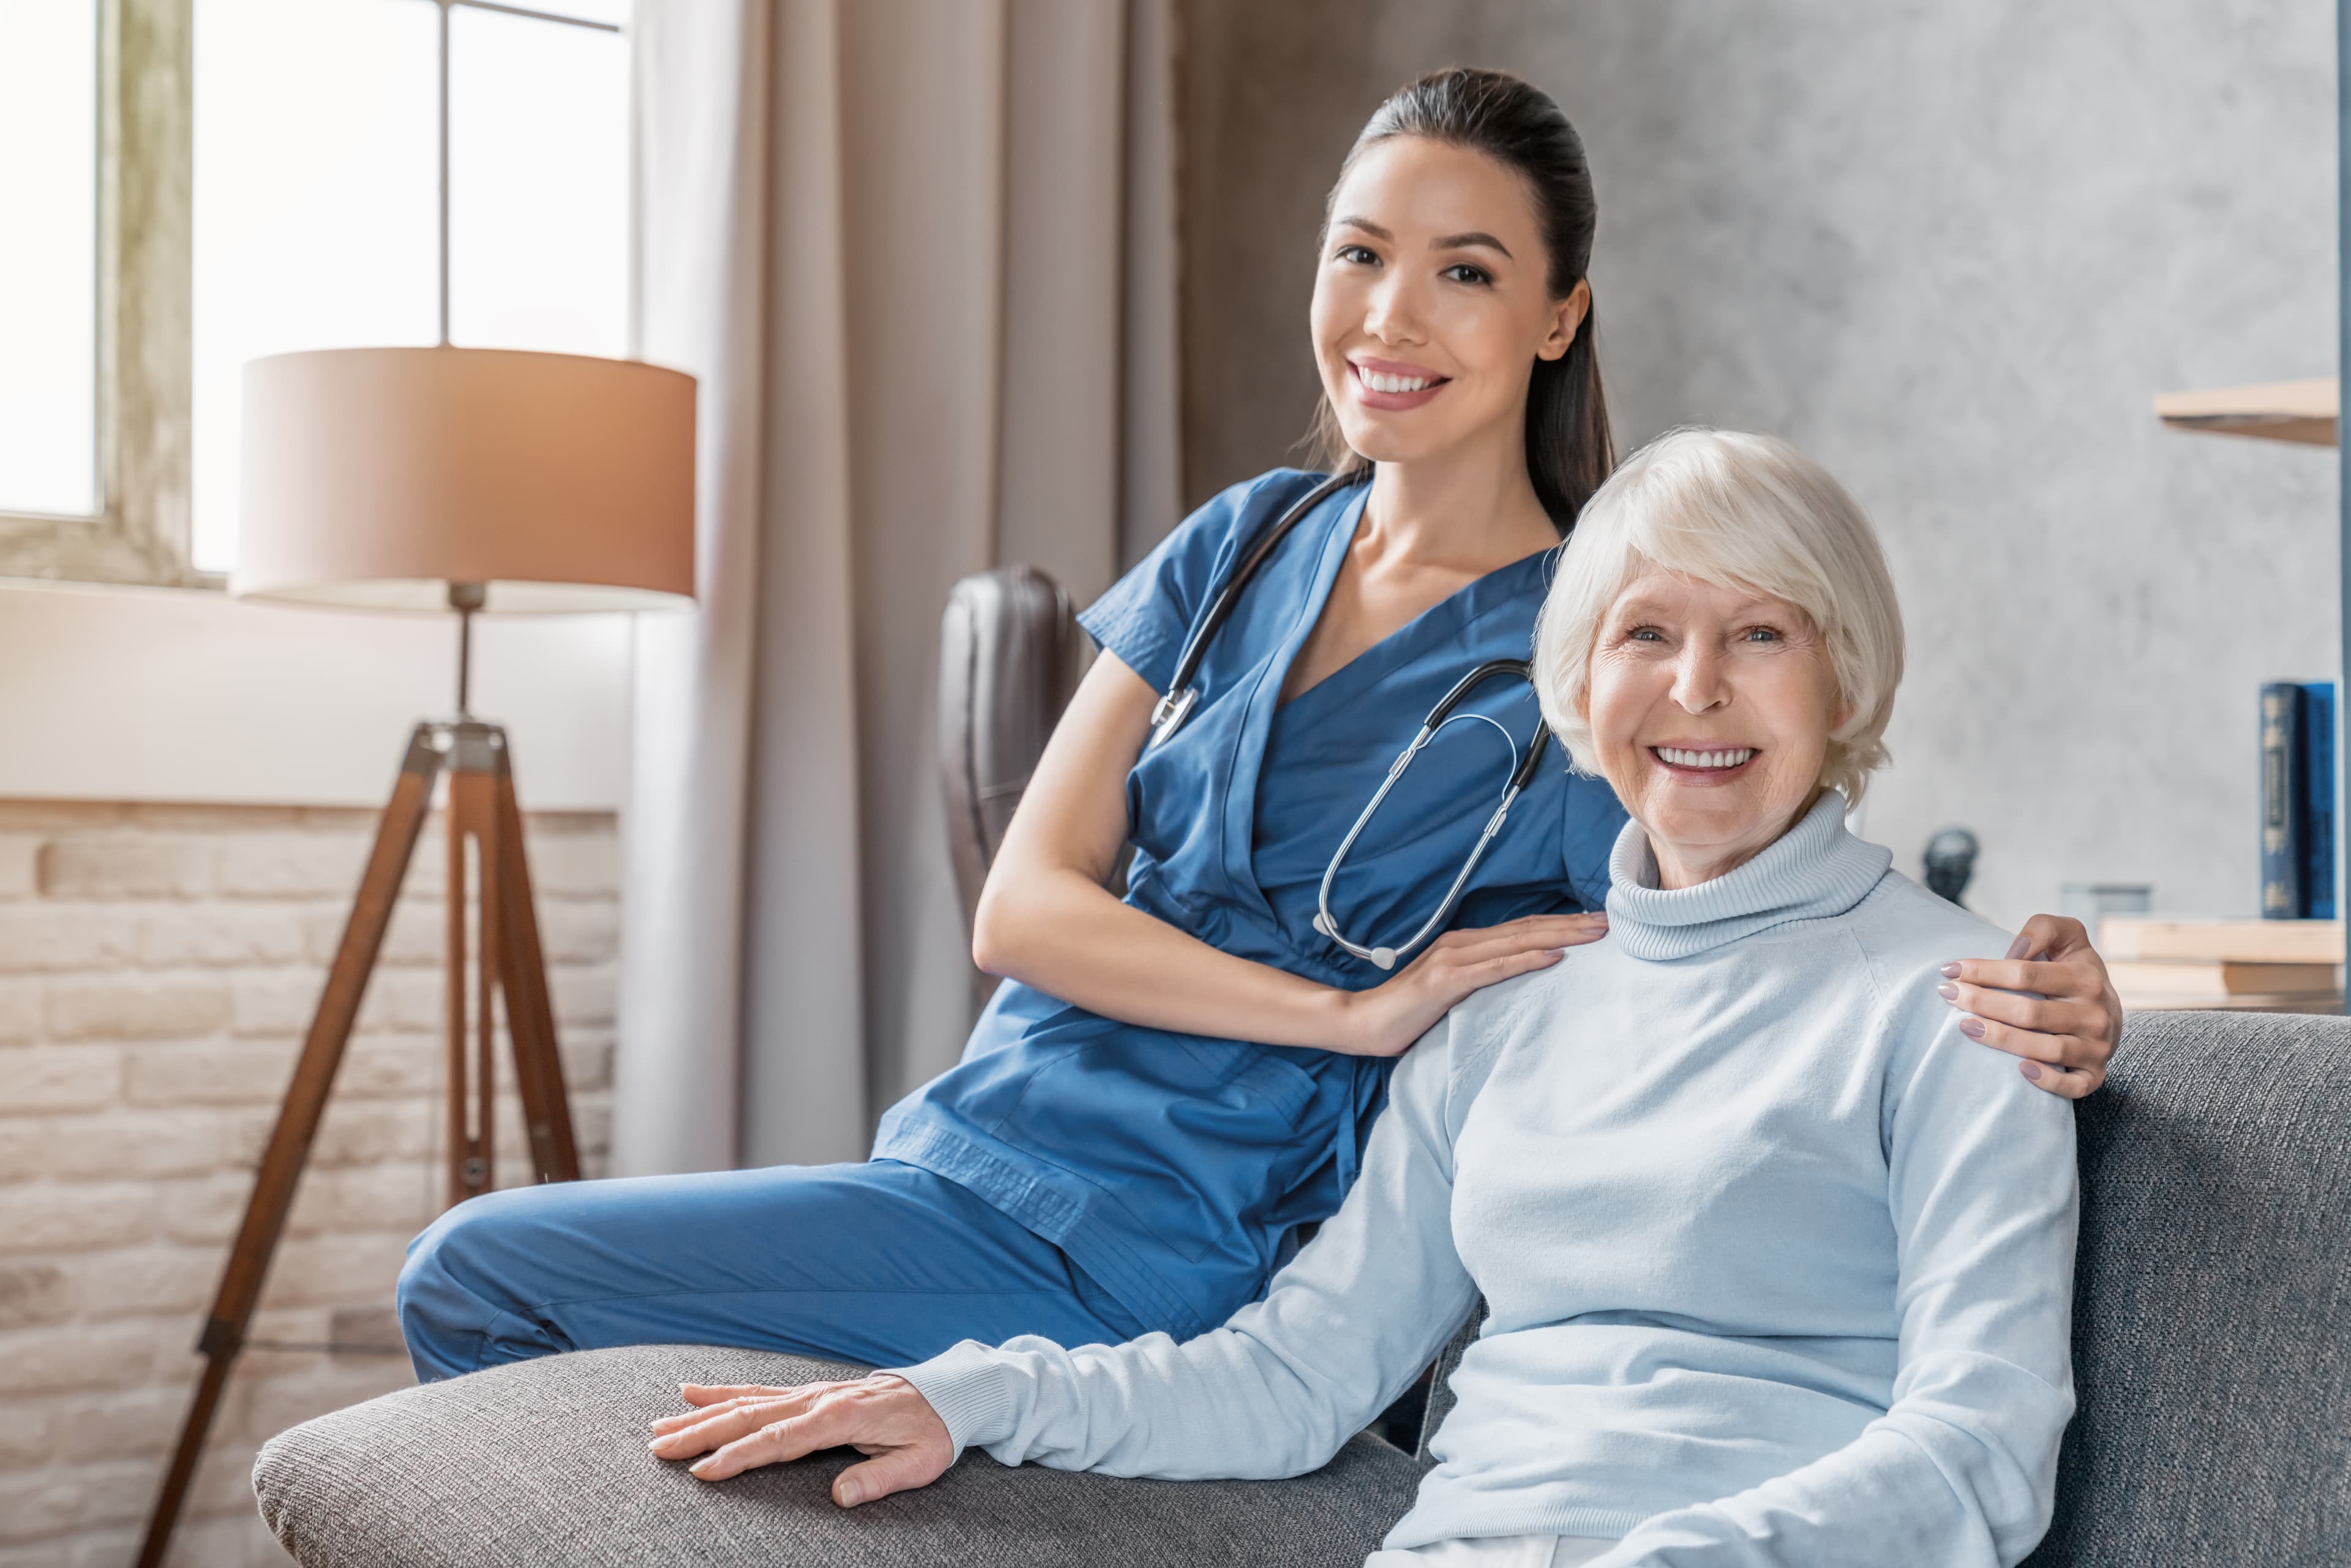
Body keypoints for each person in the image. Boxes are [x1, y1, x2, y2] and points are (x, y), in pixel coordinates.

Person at [397, 69, 2119, 1386]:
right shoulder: (1244, 544)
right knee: (496, 1288)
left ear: (1557, 318)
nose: (1391, 316)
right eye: (1361, 253)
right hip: (972, 1160)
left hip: (1179, 1245)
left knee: (476, 1273)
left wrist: (2020, 983)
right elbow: (1024, 908)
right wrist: (1347, 1013)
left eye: (1463, 271)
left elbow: (1745, 892)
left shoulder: (1590, 638)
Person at [648, 428, 2081, 1568]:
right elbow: (1293, 1377)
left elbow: (1984, 1449)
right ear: (1582, 680)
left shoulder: (1963, 1007)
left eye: (1762, 635)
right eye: (1647, 635)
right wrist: (967, 1393)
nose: (1695, 689)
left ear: (1844, 678)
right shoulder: (1511, 1014)